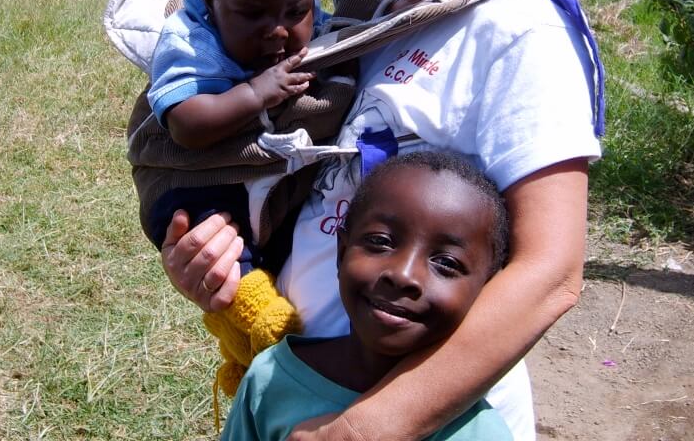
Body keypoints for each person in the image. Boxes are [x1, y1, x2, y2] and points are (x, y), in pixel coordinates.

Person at [157, 0, 604, 441]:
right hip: (304, 385)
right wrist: (217, 264)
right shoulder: (383, 19)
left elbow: (551, 273)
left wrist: (363, 430)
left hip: (417, 420)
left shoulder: (519, 27)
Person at [147, 0, 333, 393]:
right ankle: (252, 323)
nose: (278, 30)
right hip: (196, 180)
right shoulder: (188, 39)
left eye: (297, 10)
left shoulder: (297, 17)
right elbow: (184, 124)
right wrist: (255, 92)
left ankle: (243, 358)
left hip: (261, 179)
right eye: (252, 13)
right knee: (214, 232)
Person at [220, 150, 513, 441]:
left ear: (486, 290)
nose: (403, 275)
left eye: (446, 263)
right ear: (342, 251)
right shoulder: (273, 378)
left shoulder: (481, 432)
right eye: (380, 242)